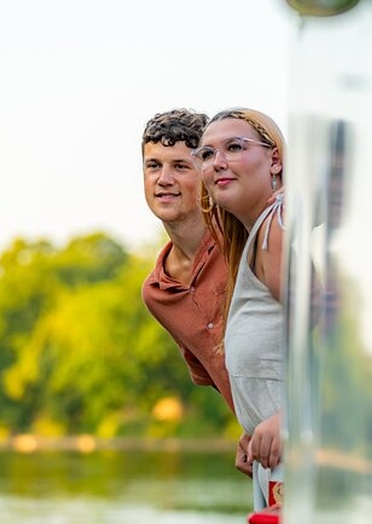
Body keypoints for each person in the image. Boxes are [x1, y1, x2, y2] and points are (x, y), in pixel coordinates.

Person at [139, 109, 253, 477]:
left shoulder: (248, 237)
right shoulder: (157, 294)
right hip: (267, 452)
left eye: (180, 167)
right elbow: (220, 378)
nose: (163, 180)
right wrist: (251, 424)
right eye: (153, 166)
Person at [194, 107, 287, 512]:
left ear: (275, 160)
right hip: (278, 468)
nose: (219, 163)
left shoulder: (277, 227)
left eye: (234, 147)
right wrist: (255, 426)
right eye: (207, 154)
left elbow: (352, 343)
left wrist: (293, 420)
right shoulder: (260, 237)